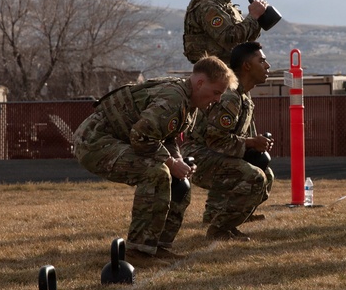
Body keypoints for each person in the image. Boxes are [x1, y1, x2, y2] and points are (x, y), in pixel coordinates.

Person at [72, 57, 235, 263]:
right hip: (94, 143)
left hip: (120, 140)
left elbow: (165, 136)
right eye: (216, 92)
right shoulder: (173, 99)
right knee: (156, 172)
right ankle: (136, 251)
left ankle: (157, 246)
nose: (218, 100)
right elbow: (140, 137)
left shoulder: (188, 102)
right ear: (200, 83)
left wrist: (177, 161)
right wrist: (170, 162)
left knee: (180, 180)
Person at [182, 42, 276, 241]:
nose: (267, 66)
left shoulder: (244, 97)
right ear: (247, 66)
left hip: (215, 154)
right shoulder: (230, 97)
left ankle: (228, 217)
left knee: (266, 174)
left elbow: (238, 140)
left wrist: (256, 144)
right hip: (198, 156)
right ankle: (219, 229)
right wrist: (250, 143)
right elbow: (215, 140)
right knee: (254, 177)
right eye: (262, 61)